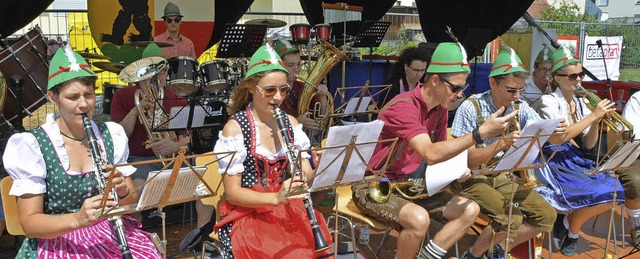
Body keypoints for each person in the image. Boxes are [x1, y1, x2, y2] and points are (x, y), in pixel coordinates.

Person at [351, 42, 513, 259]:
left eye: (462, 88)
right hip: (373, 184)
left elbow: (440, 153)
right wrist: (479, 134)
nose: (458, 94)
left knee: (470, 209)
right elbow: (430, 152)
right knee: (419, 219)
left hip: (410, 184)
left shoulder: (439, 108)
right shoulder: (404, 106)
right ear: (435, 80)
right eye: (455, 88)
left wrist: (458, 167)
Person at [2, 46, 161, 258]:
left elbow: (129, 206)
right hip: (58, 241)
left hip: (109, 232)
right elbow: (30, 224)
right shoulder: (32, 145)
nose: (84, 104)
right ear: (53, 98)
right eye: (73, 97)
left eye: (88, 94)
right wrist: (78, 219)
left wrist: (123, 190)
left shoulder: (111, 135)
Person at [212, 44, 333, 258]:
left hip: (288, 208)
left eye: (283, 90)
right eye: (270, 90)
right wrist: (276, 198)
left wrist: (316, 165)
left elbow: (301, 178)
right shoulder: (236, 128)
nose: (278, 98)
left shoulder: (291, 123)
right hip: (251, 214)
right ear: (251, 87)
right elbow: (233, 193)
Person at [451, 49, 559, 259]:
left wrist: (555, 129)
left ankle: (496, 249)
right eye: (511, 90)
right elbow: (467, 160)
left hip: (502, 174)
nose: (517, 96)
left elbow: (544, 131)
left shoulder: (520, 105)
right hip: (472, 176)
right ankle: (472, 255)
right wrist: (501, 144)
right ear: (493, 83)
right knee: (511, 217)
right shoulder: (470, 107)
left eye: (521, 89)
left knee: (547, 216)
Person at [111, 44, 215, 248]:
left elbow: (189, 138)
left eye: (163, 69)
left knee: (209, 176)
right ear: (141, 73)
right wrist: (136, 109)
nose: (159, 75)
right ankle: (135, 242)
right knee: (135, 192)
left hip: (174, 159)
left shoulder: (174, 97)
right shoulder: (123, 97)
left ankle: (201, 237)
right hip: (140, 160)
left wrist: (174, 146)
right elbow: (119, 136)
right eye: (152, 71)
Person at [535, 47, 625, 256]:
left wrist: (597, 123)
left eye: (581, 74)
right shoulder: (548, 102)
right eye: (573, 75)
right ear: (557, 78)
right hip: (551, 158)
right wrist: (593, 116)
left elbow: (589, 145)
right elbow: (559, 138)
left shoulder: (579, 102)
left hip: (573, 156)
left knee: (615, 189)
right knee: (597, 190)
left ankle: (569, 225)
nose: (579, 79)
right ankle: (572, 232)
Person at [272, 40, 329, 133]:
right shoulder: (271, 92)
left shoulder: (302, 87)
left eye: (298, 64)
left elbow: (322, 118)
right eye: (291, 65)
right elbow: (269, 128)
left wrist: (322, 96)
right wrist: (297, 122)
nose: (297, 69)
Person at [622, 89, 640, 246]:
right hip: (635, 154)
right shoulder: (638, 99)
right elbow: (633, 136)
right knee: (636, 182)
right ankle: (637, 225)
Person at [520, 46, 553, 110]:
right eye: (544, 69)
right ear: (535, 68)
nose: (547, 73)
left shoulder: (553, 86)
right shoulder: (524, 84)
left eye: (550, 70)